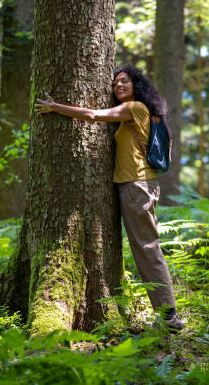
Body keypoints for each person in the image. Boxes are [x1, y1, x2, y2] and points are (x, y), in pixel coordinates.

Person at [34, 65, 183, 332]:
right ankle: (167, 312)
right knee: (144, 247)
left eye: (125, 81)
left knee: (147, 248)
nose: (119, 86)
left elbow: (92, 115)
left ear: (137, 86)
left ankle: (169, 314)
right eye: (115, 83)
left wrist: (55, 107)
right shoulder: (133, 113)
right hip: (133, 185)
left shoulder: (135, 108)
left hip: (137, 185)